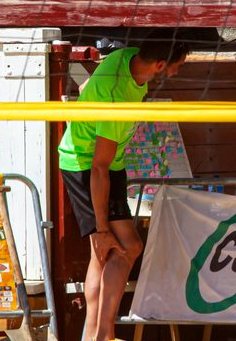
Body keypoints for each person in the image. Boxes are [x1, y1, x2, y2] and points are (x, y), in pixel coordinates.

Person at [57, 38, 188, 341]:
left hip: (109, 164)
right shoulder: (115, 99)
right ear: (159, 66)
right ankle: (100, 334)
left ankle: (96, 334)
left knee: (111, 253)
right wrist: (102, 229)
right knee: (114, 248)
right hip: (86, 167)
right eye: (177, 66)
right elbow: (99, 169)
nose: (179, 72)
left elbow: (83, 87)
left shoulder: (128, 57)